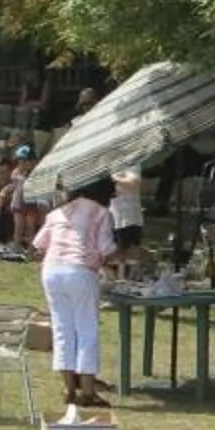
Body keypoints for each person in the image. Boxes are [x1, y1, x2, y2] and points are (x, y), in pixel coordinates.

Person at [33, 174, 118, 414]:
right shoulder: (100, 213)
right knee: (86, 331)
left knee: (62, 329)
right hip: (80, 271)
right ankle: (88, 391)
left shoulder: (58, 212)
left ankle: (68, 388)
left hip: (52, 271)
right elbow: (106, 249)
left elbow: (39, 244)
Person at [108, 167, 148, 279]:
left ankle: (134, 278)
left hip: (129, 215)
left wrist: (113, 180)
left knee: (132, 251)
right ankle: (119, 280)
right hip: (112, 214)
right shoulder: (107, 163)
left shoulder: (132, 162)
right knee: (115, 251)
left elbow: (134, 184)